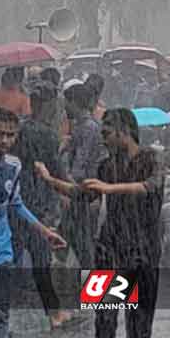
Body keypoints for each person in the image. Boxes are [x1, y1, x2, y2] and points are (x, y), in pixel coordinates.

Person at [37, 108, 164, 338]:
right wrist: (49, 180)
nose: (103, 140)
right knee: (104, 321)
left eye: (106, 134)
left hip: (144, 249)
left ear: (124, 131)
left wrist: (111, 188)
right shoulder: (107, 165)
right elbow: (81, 193)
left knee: (139, 325)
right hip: (110, 247)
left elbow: (150, 186)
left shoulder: (151, 158)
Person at [0, 107, 67, 338]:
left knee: (0, 311)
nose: (4, 140)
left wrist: (45, 232)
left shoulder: (14, 165)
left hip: (1, 248)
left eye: (10, 135)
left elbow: (16, 204)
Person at [12, 82, 73, 329]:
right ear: (47, 105)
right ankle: (54, 312)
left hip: (14, 198)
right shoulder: (46, 133)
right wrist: (67, 190)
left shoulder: (18, 127)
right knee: (40, 260)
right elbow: (54, 166)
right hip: (36, 204)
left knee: (10, 255)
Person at [60, 83, 103, 269]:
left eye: (67, 103)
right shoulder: (82, 126)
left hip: (83, 189)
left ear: (75, 102)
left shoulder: (88, 127)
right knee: (74, 233)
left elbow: (82, 162)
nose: (64, 107)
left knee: (81, 236)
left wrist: (68, 183)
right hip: (82, 188)